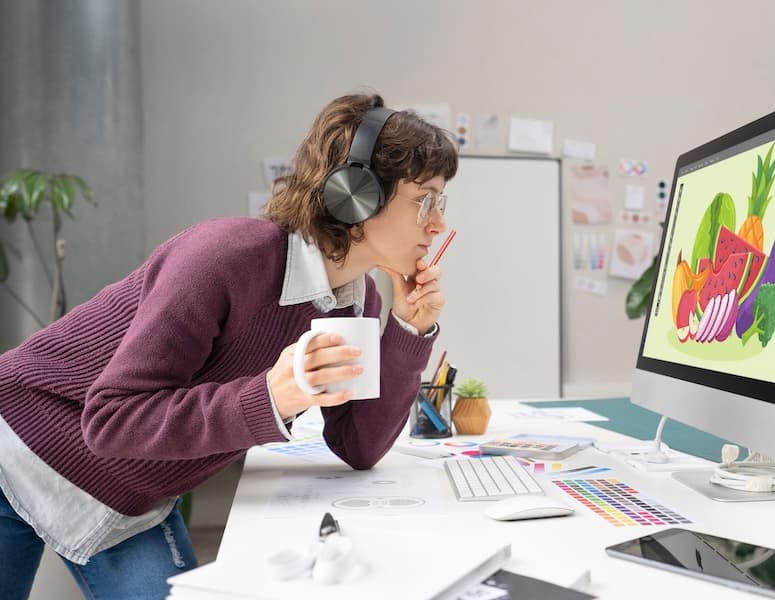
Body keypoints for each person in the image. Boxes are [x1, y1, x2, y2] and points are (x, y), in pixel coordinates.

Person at [0, 92, 458, 599]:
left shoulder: (358, 300)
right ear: (357, 193)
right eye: (425, 201)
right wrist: (269, 397)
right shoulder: (223, 258)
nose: (437, 223)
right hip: (18, 445)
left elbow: (359, 446)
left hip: (129, 498)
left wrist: (407, 331)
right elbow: (111, 419)